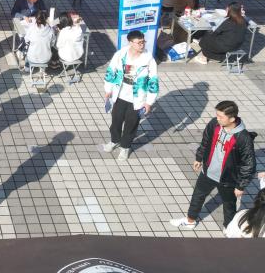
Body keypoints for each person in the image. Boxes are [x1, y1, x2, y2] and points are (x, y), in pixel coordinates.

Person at [170, 100, 255, 229]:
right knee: (197, 196)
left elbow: (248, 164)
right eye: (217, 115)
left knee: (229, 205)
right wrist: (199, 158)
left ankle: (229, 229)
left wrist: (241, 186)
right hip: (208, 171)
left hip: (228, 179)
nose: (217, 119)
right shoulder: (214, 124)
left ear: (232, 119)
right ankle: (190, 220)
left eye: (221, 117)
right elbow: (205, 141)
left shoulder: (243, 138)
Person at [103, 31, 159, 161]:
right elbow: (111, 71)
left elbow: (153, 81)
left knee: (131, 124)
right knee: (116, 121)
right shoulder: (120, 54)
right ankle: (114, 140)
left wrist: (149, 102)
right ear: (131, 43)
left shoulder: (148, 59)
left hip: (138, 99)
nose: (142, 45)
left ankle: (125, 147)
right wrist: (108, 89)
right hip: (120, 95)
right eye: (139, 42)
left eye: (143, 42)